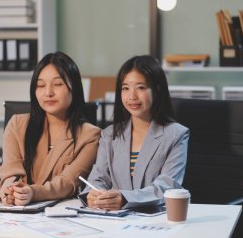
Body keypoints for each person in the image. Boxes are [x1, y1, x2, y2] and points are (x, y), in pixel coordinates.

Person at [79, 55, 189, 210]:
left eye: (141, 87)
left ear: (157, 90)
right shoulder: (109, 135)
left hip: (157, 220)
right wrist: (92, 194)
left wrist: (125, 199)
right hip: (115, 222)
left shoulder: (176, 135)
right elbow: (99, 178)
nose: (132, 96)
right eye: (125, 88)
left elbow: (168, 186)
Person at [0, 51, 101, 206]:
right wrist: (11, 191)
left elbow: (68, 182)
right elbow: (10, 173)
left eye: (58, 84)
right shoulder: (17, 125)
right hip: (18, 212)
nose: (48, 93)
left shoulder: (90, 135)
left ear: (74, 87)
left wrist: (33, 192)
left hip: (61, 214)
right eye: (40, 85)